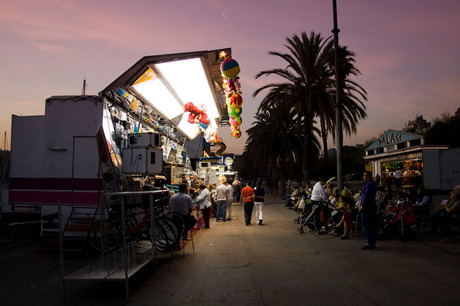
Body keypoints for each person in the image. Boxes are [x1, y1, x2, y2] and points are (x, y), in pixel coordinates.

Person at [359, 171, 378, 250]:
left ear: (368, 176)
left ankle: (370, 242)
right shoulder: (370, 184)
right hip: (370, 207)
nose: (363, 177)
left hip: (368, 208)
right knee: (370, 225)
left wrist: (363, 207)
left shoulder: (369, 185)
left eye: (364, 175)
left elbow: (366, 197)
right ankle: (371, 241)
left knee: (366, 224)